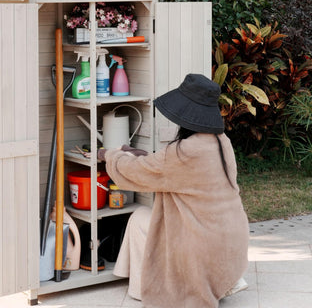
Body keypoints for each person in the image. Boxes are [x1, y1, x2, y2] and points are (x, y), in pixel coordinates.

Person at [98, 73, 249, 308]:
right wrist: (137, 153)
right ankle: (225, 281)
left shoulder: (184, 152)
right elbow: (170, 169)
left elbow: (135, 173)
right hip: (232, 250)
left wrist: (109, 155)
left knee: (139, 218)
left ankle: (144, 289)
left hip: (204, 253)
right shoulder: (221, 141)